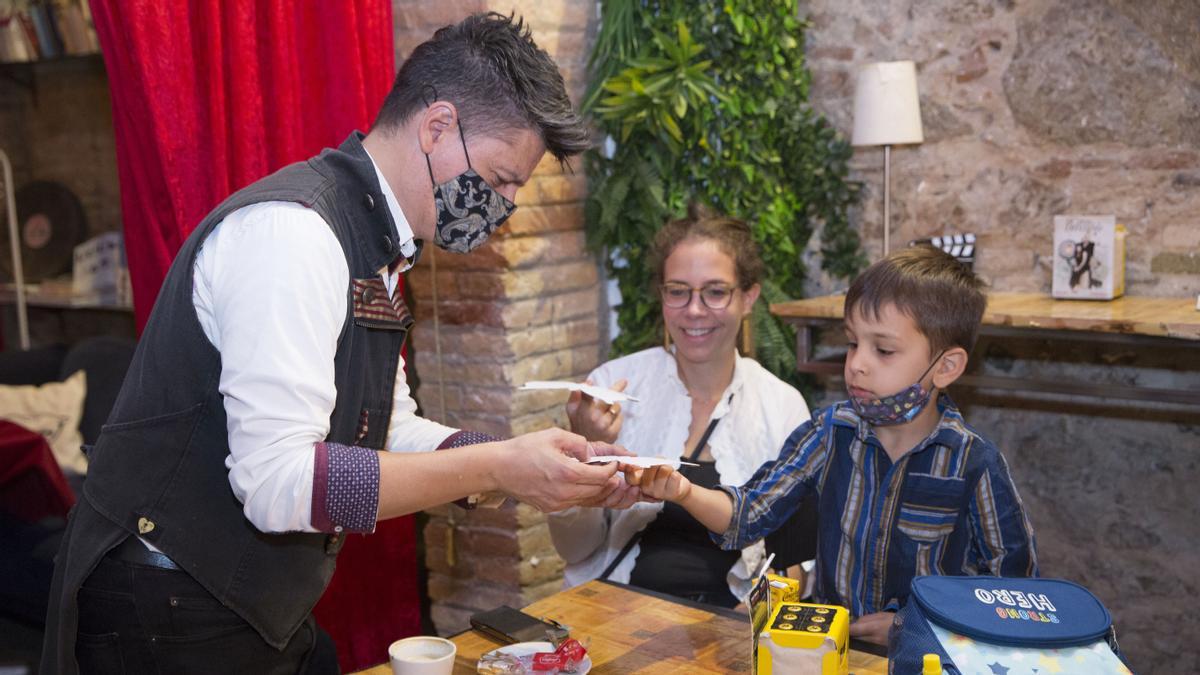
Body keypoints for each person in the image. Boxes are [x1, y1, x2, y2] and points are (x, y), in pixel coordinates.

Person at [43, 13, 629, 674]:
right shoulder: (294, 236)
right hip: (165, 605)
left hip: (253, 602)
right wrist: (499, 468)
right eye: (499, 179)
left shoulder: (377, 250)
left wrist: (519, 458)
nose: (503, 207)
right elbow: (277, 482)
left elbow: (387, 429)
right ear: (436, 128)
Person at [625, 245, 1038, 645]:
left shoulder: (974, 463)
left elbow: (1013, 596)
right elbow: (749, 513)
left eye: (884, 350)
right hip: (829, 653)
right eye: (853, 342)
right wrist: (683, 491)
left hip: (927, 657)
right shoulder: (829, 433)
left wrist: (913, 625)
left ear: (946, 366)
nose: (857, 363)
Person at [548, 204, 814, 608]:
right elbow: (575, 550)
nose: (693, 310)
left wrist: (756, 611)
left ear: (748, 298)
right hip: (620, 612)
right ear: (662, 296)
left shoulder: (780, 405)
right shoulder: (612, 389)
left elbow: (794, 561)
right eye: (678, 291)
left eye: (715, 292)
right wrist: (585, 455)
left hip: (731, 624)